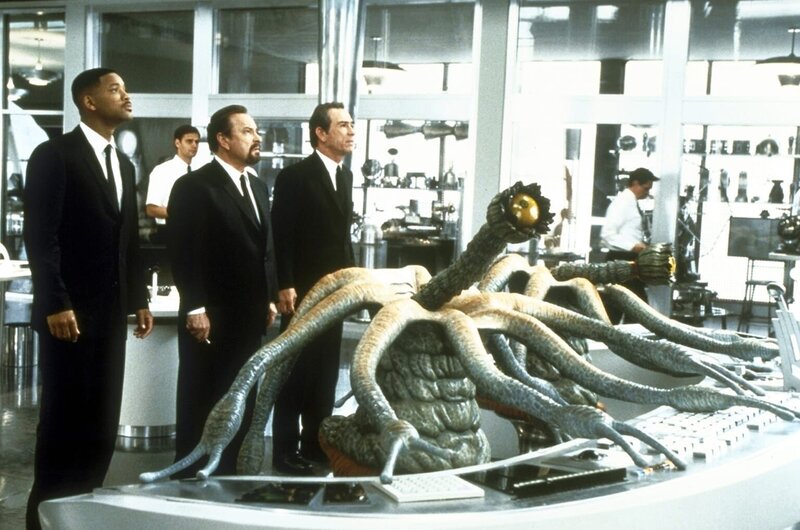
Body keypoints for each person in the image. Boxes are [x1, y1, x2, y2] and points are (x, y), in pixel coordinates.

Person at [23, 68, 154, 530]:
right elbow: (41, 237)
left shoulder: (124, 164)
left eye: (126, 87)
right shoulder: (54, 155)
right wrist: (56, 301)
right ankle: (43, 522)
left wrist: (139, 298)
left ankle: (80, 518)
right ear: (89, 101)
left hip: (110, 316)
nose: (126, 95)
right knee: (63, 431)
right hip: (68, 317)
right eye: (116, 89)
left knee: (100, 428)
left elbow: (127, 241)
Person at [167, 104, 278, 477]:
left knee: (241, 395)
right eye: (247, 131)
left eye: (256, 130)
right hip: (210, 316)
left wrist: (269, 297)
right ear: (223, 139)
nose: (256, 137)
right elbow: (183, 251)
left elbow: (265, 248)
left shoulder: (258, 186)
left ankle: (229, 474)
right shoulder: (194, 186)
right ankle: (188, 477)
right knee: (202, 397)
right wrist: (194, 307)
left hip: (250, 314)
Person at [270, 101, 356, 475]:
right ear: (321, 133)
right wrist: (284, 284)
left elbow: (342, 239)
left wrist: (353, 281)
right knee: (296, 371)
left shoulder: (345, 176)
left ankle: (316, 445)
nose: (351, 131)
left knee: (325, 370)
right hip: (302, 290)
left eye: (352, 125)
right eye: (343, 125)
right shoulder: (296, 176)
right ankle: (285, 450)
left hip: (335, 291)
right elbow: (281, 236)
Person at [600, 167, 659, 322]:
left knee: (624, 307)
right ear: (635, 183)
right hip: (621, 259)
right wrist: (633, 246)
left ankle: (614, 334)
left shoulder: (631, 202)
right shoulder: (622, 203)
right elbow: (607, 234)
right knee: (635, 308)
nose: (647, 193)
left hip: (629, 260)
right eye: (645, 188)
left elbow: (628, 232)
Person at [145, 124, 200, 243]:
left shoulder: (199, 171)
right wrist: (183, 214)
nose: (194, 145)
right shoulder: (162, 170)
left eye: (197, 142)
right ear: (177, 143)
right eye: (189, 141)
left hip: (196, 232)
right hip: (170, 231)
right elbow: (151, 209)